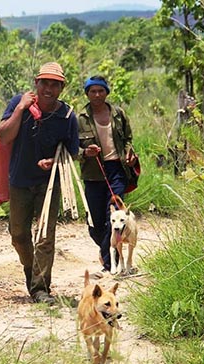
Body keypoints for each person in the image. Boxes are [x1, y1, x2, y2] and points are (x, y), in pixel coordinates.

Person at [0, 62, 79, 305]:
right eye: (45, 83)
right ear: (37, 83)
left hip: (49, 183)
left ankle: (41, 288)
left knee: (45, 236)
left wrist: (53, 161)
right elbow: (3, 135)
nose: (49, 89)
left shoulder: (67, 116)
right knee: (19, 235)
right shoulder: (18, 103)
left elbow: (72, 152)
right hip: (20, 180)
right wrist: (21, 108)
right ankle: (32, 271)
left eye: (55, 85)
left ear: (61, 88)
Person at [78, 75, 137, 275]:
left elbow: (128, 139)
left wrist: (130, 153)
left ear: (106, 92)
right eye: (92, 91)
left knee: (112, 217)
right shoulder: (80, 119)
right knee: (95, 223)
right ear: (87, 93)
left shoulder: (119, 114)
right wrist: (85, 152)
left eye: (100, 91)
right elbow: (73, 148)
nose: (97, 95)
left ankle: (110, 264)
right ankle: (110, 253)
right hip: (93, 173)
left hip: (117, 171)